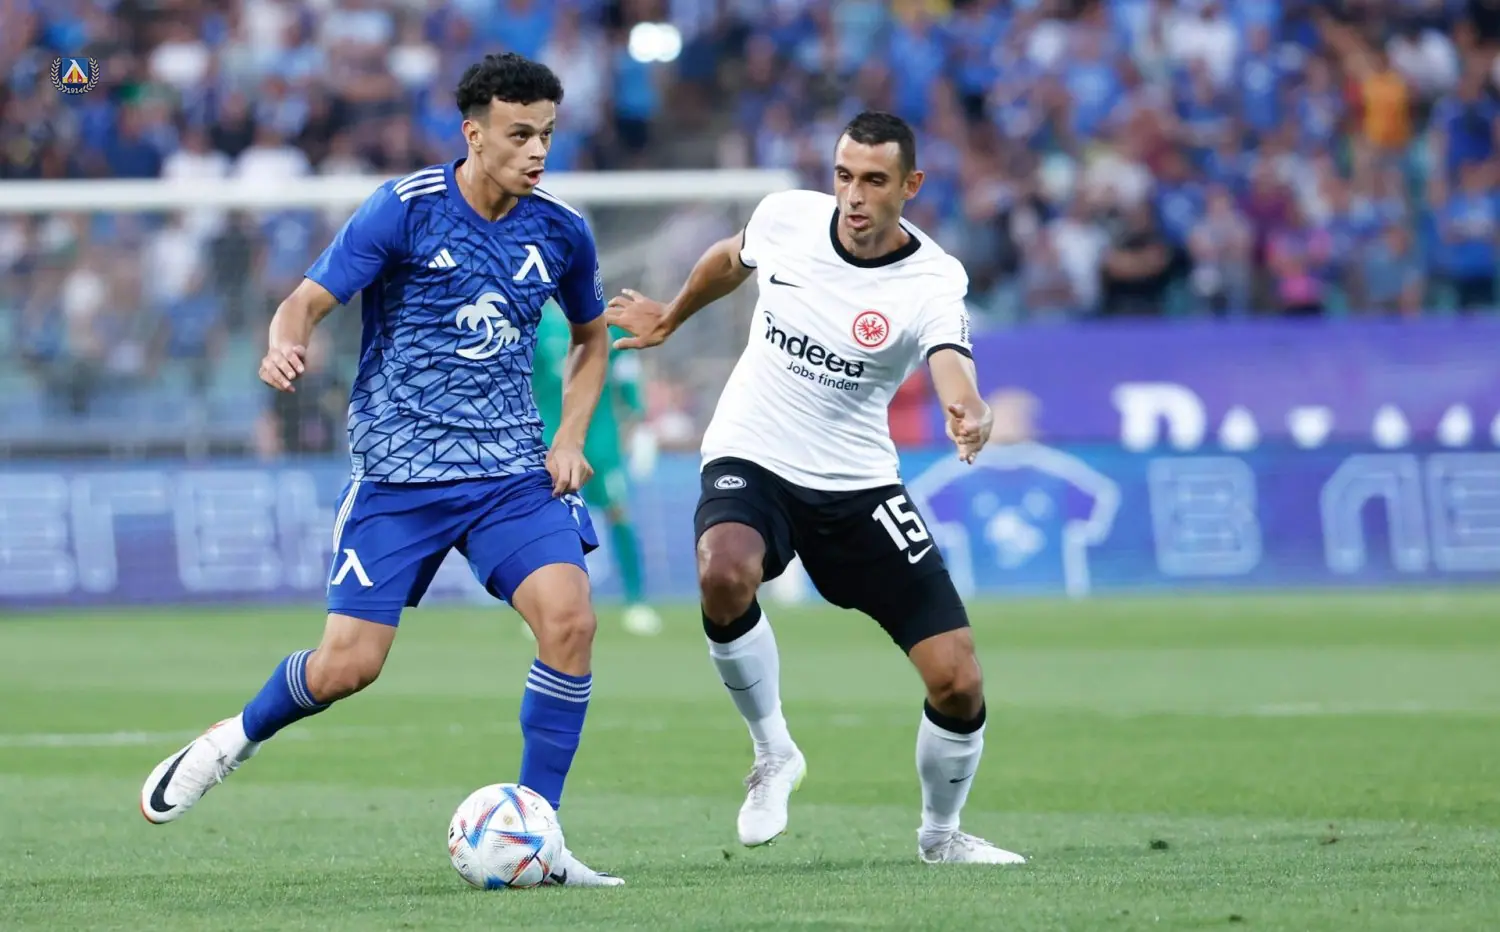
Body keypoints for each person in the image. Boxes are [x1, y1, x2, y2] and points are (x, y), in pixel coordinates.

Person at [138, 53, 624, 887]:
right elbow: (304, 302)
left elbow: (590, 336)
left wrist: (570, 436)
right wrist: (285, 342)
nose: (538, 151)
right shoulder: (404, 209)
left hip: (510, 473)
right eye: (519, 134)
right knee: (348, 667)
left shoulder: (561, 231)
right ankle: (232, 739)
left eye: (547, 133)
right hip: (399, 478)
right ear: (473, 134)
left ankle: (538, 833)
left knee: (571, 622)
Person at [605, 111, 1026, 866]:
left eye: (873, 181)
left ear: (910, 185)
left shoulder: (932, 279)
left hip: (856, 482)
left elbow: (951, 361)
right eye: (843, 176)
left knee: (958, 678)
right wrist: (670, 317)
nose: (853, 196)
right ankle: (773, 753)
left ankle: (941, 836)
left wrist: (970, 409)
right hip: (753, 451)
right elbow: (729, 259)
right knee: (723, 570)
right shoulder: (788, 218)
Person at [533, 300, 663, 636]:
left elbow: (627, 384)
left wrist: (639, 429)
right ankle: (547, 606)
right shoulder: (538, 325)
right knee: (549, 524)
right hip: (552, 441)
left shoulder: (608, 326)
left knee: (619, 513)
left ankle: (636, 601)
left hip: (602, 442)